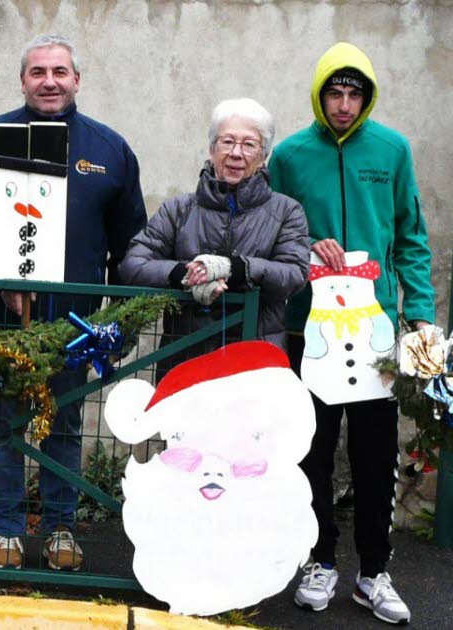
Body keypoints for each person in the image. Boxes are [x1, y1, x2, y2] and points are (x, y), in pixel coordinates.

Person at [0, 34, 146, 570]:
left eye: (60, 71)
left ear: (77, 80)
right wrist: (1, 277)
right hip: (2, 318)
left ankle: (61, 528)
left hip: (75, 324)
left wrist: (115, 317)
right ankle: (7, 531)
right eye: (38, 71)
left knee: (62, 423)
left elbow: (130, 240)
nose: (49, 81)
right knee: (2, 423)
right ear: (22, 80)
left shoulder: (109, 149)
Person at [269, 42, 433, 625]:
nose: (343, 104)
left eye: (353, 93)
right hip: (306, 326)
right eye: (334, 93)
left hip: (375, 333)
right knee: (311, 451)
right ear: (319, 94)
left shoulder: (392, 149)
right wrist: (307, 243)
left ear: (366, 97)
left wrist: (422, 316)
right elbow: (272, 229)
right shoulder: (288, 154)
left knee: (374, 454)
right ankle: (319, 561)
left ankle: (372, 571)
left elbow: (410, 237)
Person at [120, 97, 310, 365]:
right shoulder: (179, 209)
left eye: (248, 144)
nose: (236, 153)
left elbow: (294, 274)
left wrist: (236, 268)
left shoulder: (286, 212)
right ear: (212, 148)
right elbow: (133, 263)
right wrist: (183, 274)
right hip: (185, 358)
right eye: (227, 141)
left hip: (257, 360)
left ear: (263, 155)